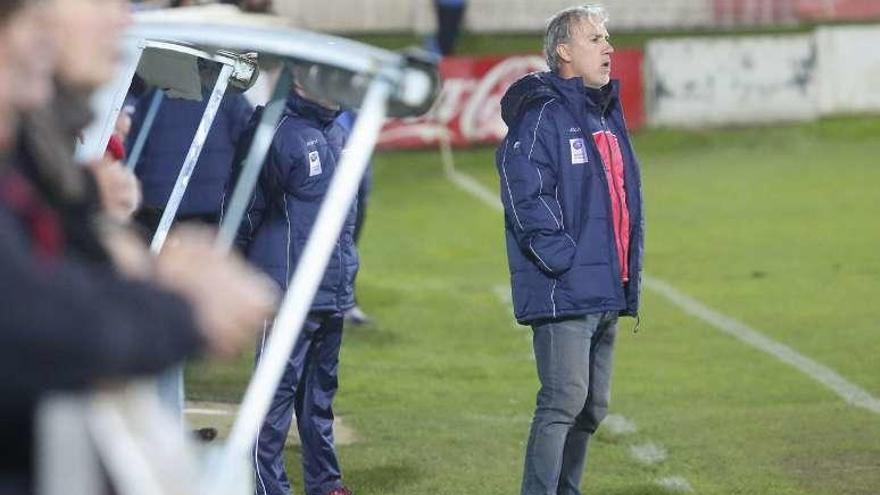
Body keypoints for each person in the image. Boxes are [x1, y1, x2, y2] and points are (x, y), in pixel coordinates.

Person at [494, 5, 644, 495]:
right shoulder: (542, 114)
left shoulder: (603, 112)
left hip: (606, 287)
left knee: (591, 407)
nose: (608, 46)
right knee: (562, 402)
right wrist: (563, 260)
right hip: (567, 288)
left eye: (608, 37)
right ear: (564, 51)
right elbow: (524, 192)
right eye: (595, 38)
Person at [234, 65, 357, 495]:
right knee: (272, 401)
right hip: (285, 290)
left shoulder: (338, 133)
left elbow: (343, 224)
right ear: (301, 82)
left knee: (318, 399)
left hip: (330, 290)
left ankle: (325, 484)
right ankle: (269, 488)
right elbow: (244, 208)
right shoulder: (274, 130)